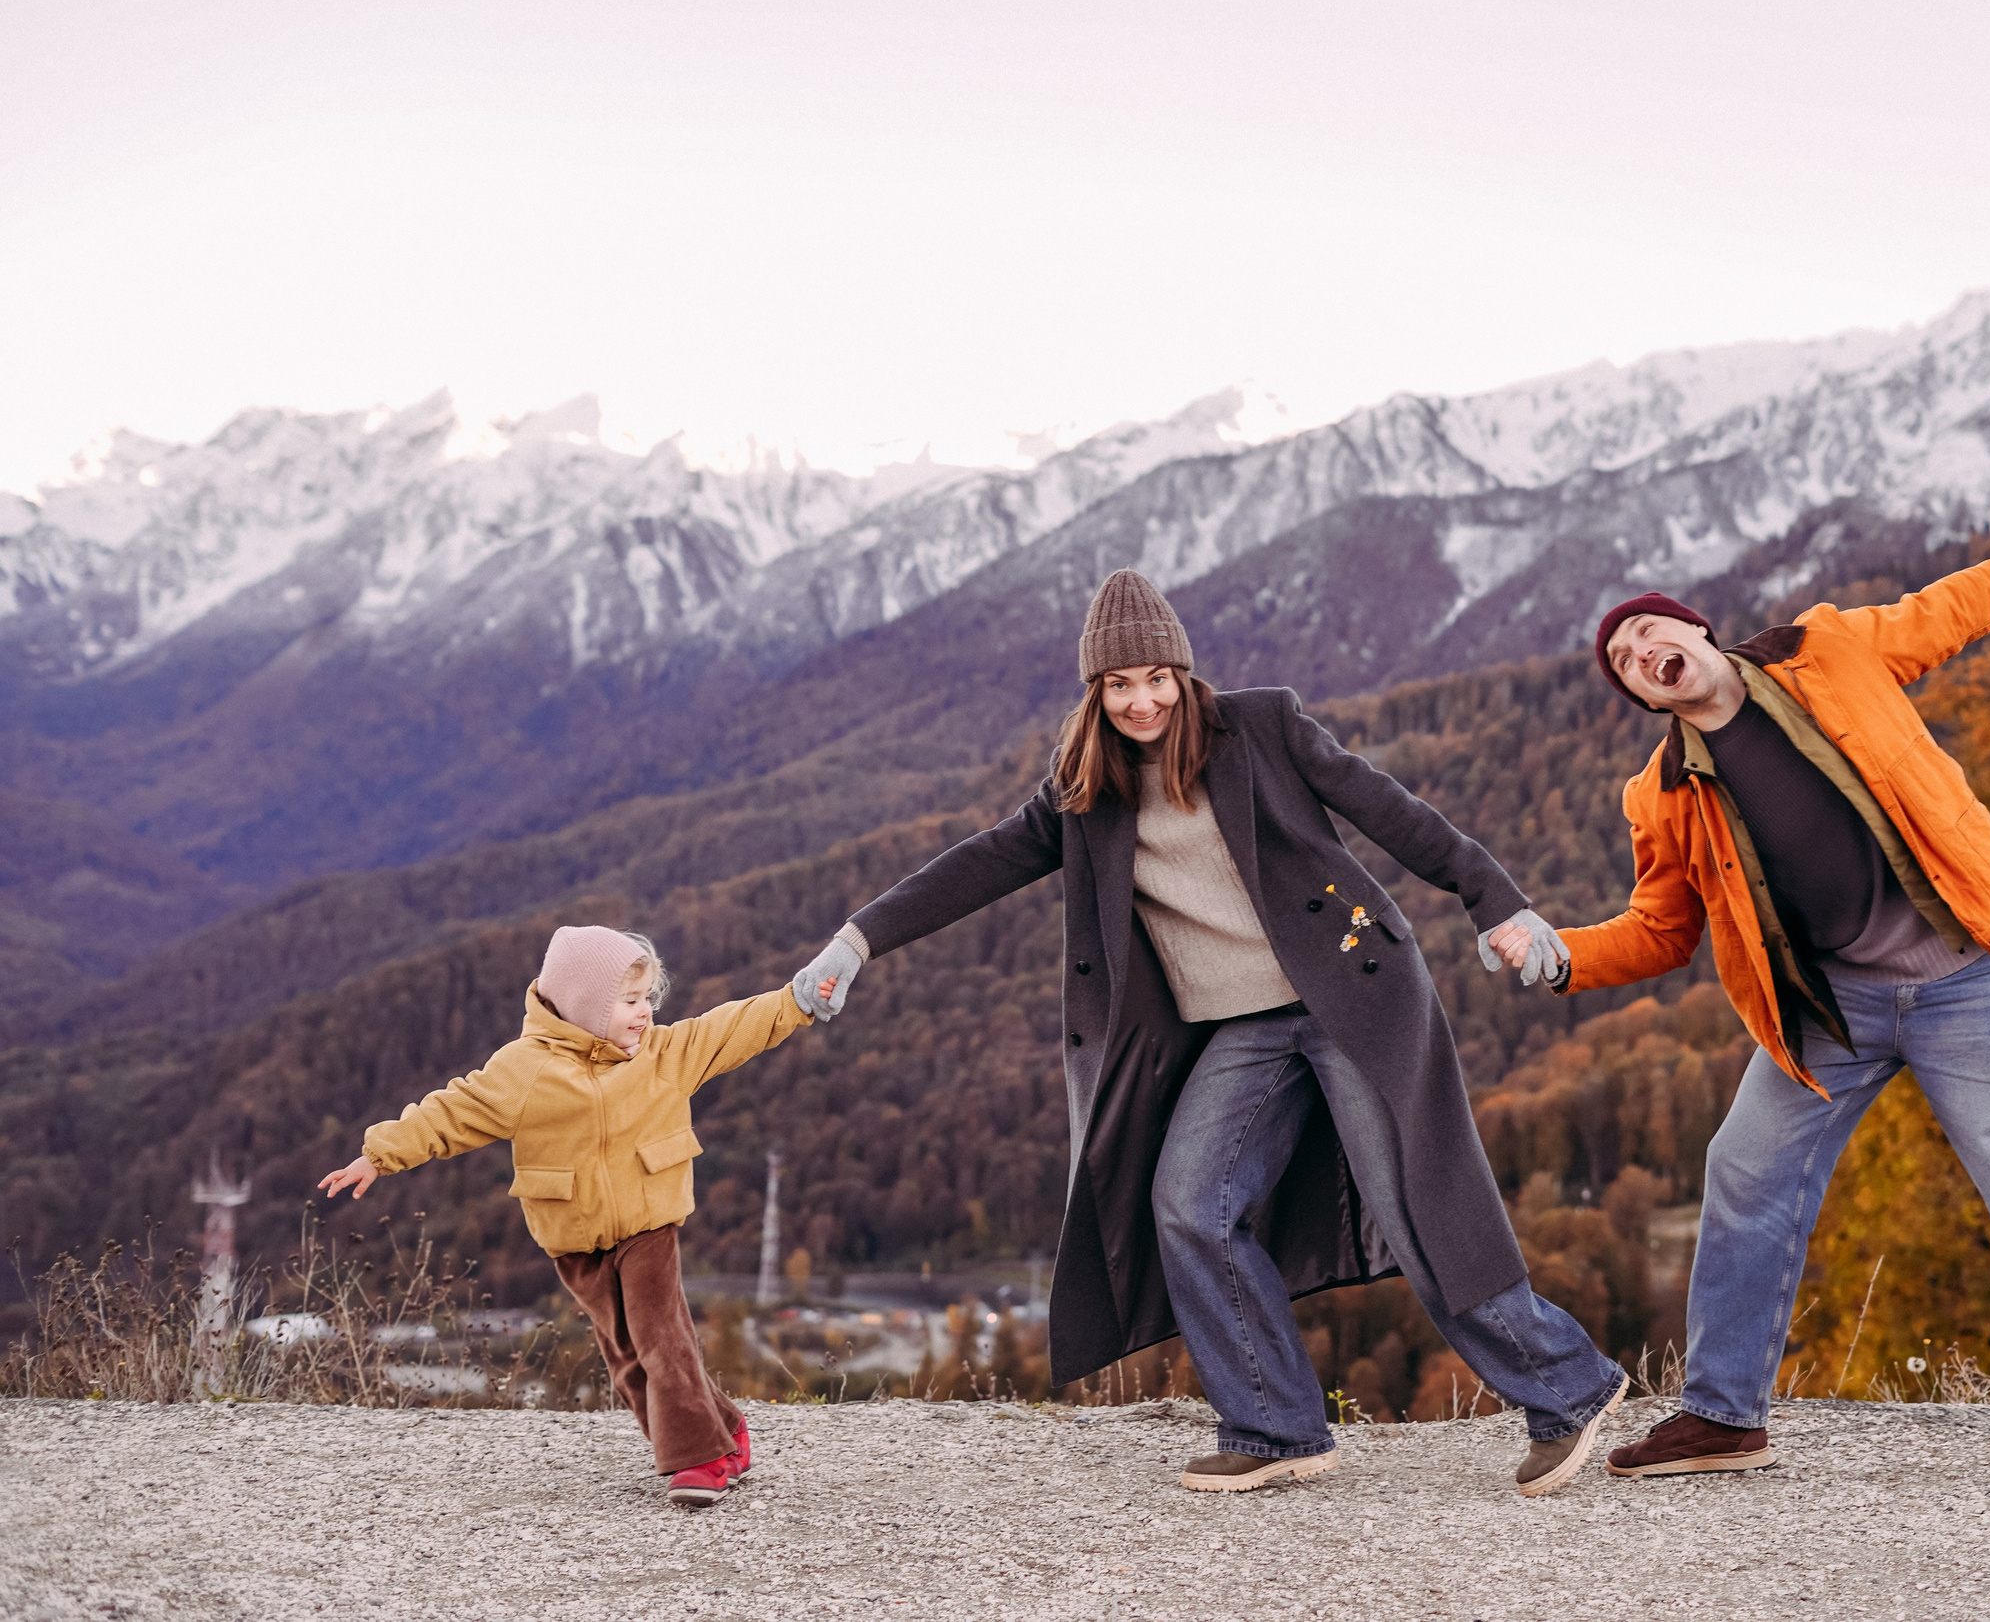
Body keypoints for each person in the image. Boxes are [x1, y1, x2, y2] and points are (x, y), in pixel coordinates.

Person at [790, 569, 1627, 1496]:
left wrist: (1497, 901)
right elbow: (972, 866)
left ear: (1183, 673)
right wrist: (856, 939)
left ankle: (1569, 1387)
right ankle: (1273, 1424)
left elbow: (1394, 813)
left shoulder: (1261, 728)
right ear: (1094, 693)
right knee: (1189, 1201)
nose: (1140, 699)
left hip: (1353, 994)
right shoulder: (1082, 791)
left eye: (1155, 676)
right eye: (1118, 684)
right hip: (1245, 1027)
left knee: (1414, 1201)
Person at [1490, 482, 1990, 1492]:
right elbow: (1660, 931)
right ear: (1649, 698)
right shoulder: (1659, 795)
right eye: (1623, 663)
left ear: (1697, 635)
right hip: (1831, 1009)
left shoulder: (1825, 651)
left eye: (1648, 632)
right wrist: (1561, 954)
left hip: (1973, 971)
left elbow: (1951, 605)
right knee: (1744, 1173)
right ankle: (1721, 1415)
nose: (1638, 652)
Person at [319, 924, 826, 1508]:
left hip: (648, 1222)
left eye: (648, 1000)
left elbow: (736, 1026)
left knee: (661, 1338)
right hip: (575, 1239)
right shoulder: (524, 1071)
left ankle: (700, 1459)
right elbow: (451, 1112)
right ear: (585, 1005)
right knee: (627, 1353)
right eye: (630, 1001)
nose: (645, 1013)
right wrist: (378, 1156)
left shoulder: (665, 1054)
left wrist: (797, 999)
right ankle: (723, 1432)